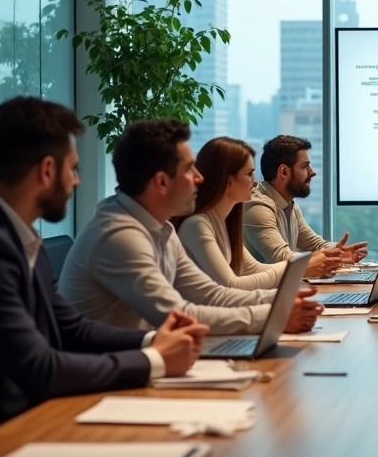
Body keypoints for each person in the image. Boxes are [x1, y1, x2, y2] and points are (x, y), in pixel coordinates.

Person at [0, 97, 208, 445]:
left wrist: (156, 339)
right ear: (47, 170)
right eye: (73, 169)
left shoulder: (16, 233)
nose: (76, 181)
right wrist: (154, 360)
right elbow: (41, 369)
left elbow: (71, 329)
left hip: (19, 427)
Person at [61, 120, 322, 335]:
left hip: (135, 364)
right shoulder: (119, 236)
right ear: (162, 182)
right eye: (189, 170)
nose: (199, 178)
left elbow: (211, 295)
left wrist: (282, 303)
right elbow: (179, 315)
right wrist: (273, 315)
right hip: (102, 384)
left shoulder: (160, 229)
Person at [176, 137, 342, 287]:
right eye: (249, 173)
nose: (254, 181)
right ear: (226, 180)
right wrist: (302, 268)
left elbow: (253, 269)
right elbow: (231, 284)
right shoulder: (197, 225)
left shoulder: (222, 223)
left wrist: (303, 266)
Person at [244, 135, 368, 266]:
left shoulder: (289, 204)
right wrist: (328, 256)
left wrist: (339, 251)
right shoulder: (258, 207)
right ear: (284, 172)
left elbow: (315, 244)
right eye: (305, 166)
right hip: (260, 287)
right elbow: (283, 258)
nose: (312, 172)